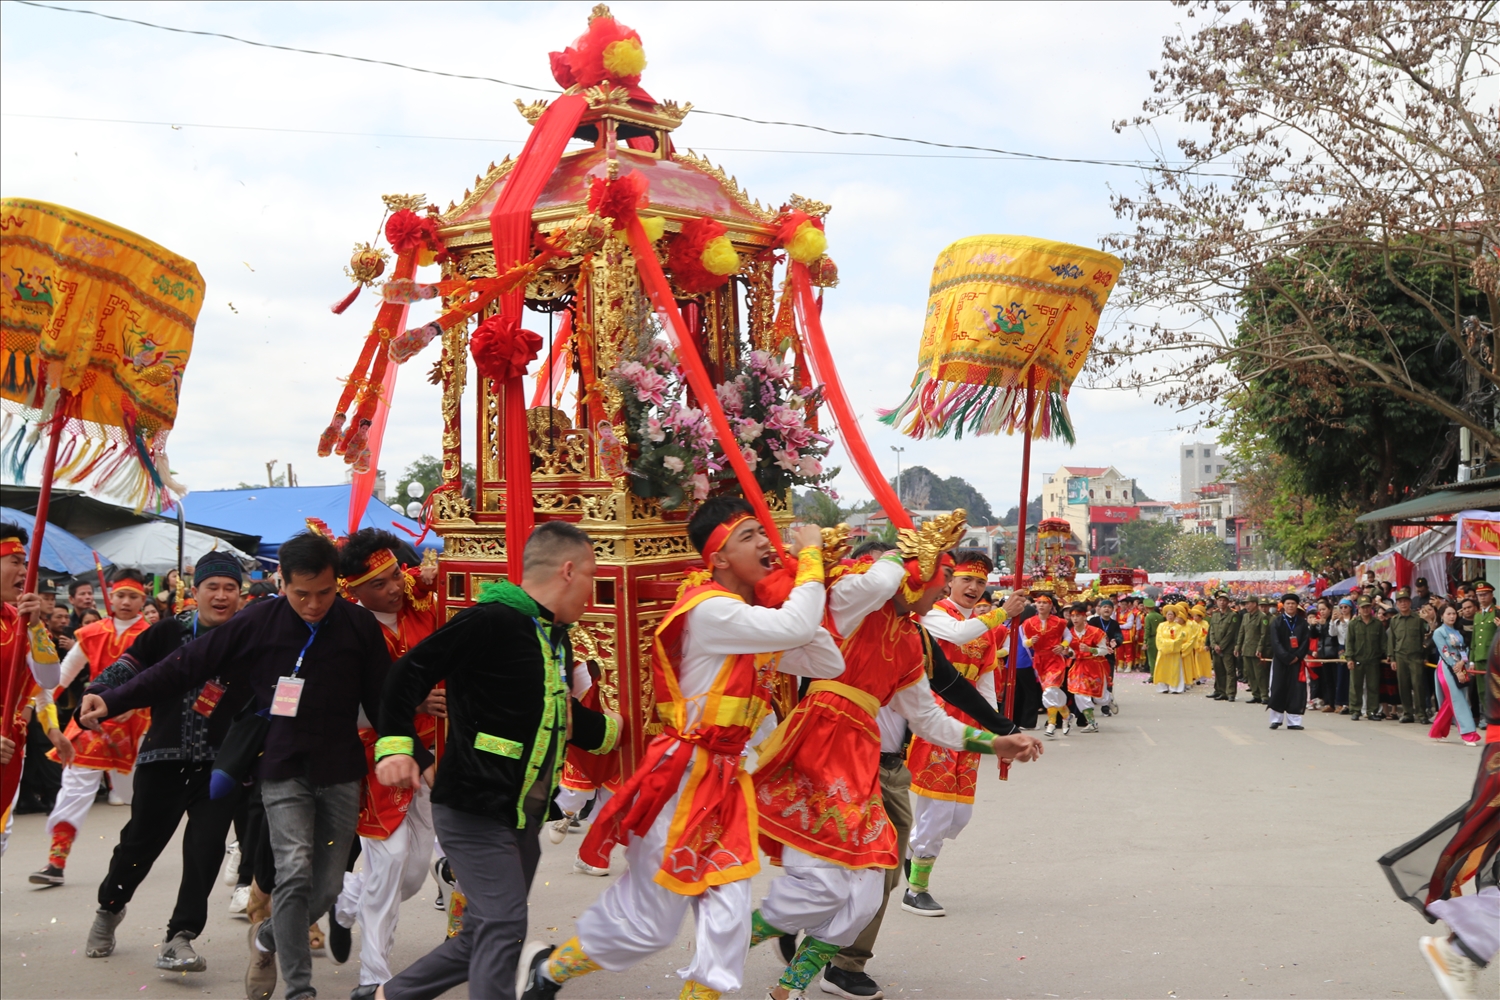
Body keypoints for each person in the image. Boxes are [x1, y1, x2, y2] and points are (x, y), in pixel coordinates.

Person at [519, 501, 830, 1000]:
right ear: (719, 558)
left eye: (762, 533)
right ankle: (549, 969)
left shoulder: (749, 616)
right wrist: (810, 560)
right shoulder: (711, 610)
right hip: (683, 779)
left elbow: (828, 661)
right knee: (650, 925)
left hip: (725, 780)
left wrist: (783, 592)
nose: (765, 543)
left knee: (730, 915)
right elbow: (797, 629)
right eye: (750, 535)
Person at [78, 531, 396, 1000]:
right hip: (263, 764)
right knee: (290, 869)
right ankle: (298, 987)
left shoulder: (356, 625)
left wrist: (408, 749)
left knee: (322, 885)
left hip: (329, 768)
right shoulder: (249, 623)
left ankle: (260, 936)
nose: (313, 605)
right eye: (301, 594)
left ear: (338, 585)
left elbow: (382, 698)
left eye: (325, 593)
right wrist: (110, 698)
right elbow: (178, 666)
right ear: (281, 582)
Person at [748, 529, 1041, 999]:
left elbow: (929, 717)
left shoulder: (910, 641)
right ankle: (731, 949)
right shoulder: (851, 607)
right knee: (826, 888)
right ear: (913, 577)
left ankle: (792, 982)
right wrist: (900, 557)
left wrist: (996, 741)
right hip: (821, 750)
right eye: (941, 580)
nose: (944, 592)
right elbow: (874, 584)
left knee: (867, 891)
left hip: (864, 761)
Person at [361, 522, 615, 1000]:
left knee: (482, 933)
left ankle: (386, 996)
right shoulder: (492, 620)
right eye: (591, 575)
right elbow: (407, 674)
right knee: (503, 925)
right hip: (474, 805)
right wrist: (397, 744)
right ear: (567, 571)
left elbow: (562, 716)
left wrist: (627, 735)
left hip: (520, 814)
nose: (593, 589)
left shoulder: (555, 636)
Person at [74, 552, 248, 970]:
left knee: (206, 849)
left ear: (240, 595)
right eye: (213, 587)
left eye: (230, 588)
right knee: (139, 843)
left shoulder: (249, 638)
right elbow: (126, 667)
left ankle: (180, 936)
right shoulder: (167, 631)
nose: (221, 596)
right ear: (196, 591)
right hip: (162, 758)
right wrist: (97, 691)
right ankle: (109, 907)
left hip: (221, 766)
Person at [328, 528, 445, 994]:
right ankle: (373, 977)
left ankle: (344, 900)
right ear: (352, 590)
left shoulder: (424, 603)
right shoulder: (349, 630)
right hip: (382, 754)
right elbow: (349, 706)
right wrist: (413, 702)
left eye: (396, 574)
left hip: (435, 753)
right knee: (391, 860)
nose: (394, 587)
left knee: (411, 876)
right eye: (379, 584)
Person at [900, 549, 1028, 914]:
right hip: (936, 721)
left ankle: (912, 851)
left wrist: (1000, 734)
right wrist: (1003, 613)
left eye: (980, 582)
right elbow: (958, 636)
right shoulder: (933, 614)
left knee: (959, 815)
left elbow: (985, 685)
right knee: (939, 809)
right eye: (966, 579)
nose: (973, 587)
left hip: (969, 726)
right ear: (950, 582)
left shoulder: (984, 631)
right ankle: (916, 889)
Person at [30, 570, 151, 885]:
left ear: (143, 599)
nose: (126, 602)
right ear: (111, 597)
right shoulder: (93, 633)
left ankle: (138, 854)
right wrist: (35, 702)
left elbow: (166, 683)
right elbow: (60, 677)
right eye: (120, 595)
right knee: (74, 789)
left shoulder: (153, 635)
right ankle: (56, 861)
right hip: (91, 723)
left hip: (137, 726)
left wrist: (137, 706)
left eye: (133, 596)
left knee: (141, 797)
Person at [0, 521, 63, 848]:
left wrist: (37, 626)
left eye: (25, 562)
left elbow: (49, 679)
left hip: (11, 747)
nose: (25, 571)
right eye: (15, 561)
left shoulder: (21, 621)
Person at [1428, 605, 1480, 747]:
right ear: (1441, 616)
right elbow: (1444, 651)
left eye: (1454, 614)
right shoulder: (1439, 632)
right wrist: (1456, 669)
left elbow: (1464, 649)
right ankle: (1468, 733)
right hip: (1446, 667)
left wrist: (1463, 662)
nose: (1452, 616)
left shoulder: (1457, 632)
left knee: (1456, 699)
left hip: (1460, 666)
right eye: (1448, 614)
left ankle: (1438, 731)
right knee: (1457, 699)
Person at [1022, 590, 1069, 736]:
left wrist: (1062, 646)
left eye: (1045, 603)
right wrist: (1030, 642)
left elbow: (1068, 636)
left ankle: (1051, 724)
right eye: (1039, 603)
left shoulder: (1059, 622)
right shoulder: (1029, 623)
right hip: (1040, 661)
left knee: (1050, 690)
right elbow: (1024, 642)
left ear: (1050, 606)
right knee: (1051, 692)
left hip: (1055, 659)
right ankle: (1066, 715)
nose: (1041, 605)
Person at [1064, 602, 1112, 732]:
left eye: (1078, 615)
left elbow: (1104, 650)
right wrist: (1068, 652)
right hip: (1079, 666)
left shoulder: (1095, 632)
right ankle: (1092, 723)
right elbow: (1072, 653)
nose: (1075, 619)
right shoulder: (1069, 634)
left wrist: (1090, 649)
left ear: (1084, 616)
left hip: (1094, 666)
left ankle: (1108, 700)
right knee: (1080, 695)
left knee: (1100, 698)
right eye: (1072, 616)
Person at [1268, 592, 1309, 731]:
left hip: (1297, 661)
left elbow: (1305, 642)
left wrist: (1297, 656)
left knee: (1296, 690)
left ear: (1297, 606)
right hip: (1281, 661)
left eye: (1293, 603)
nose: (1290, 606)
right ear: (1283, 606)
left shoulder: (1302, 623)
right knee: (1278, 687)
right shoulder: (1277, 622)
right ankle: (1276, 719)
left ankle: (1294, 721)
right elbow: (1275, 642)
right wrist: (1286, 656)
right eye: (1288, 604)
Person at [1387, 589, 1428, 724]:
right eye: (1400, 602)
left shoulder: (1418, 619)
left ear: (1410, 602)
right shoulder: (1394, 620)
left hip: (1416, 656)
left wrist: (1425, 656)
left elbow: (1424, 638)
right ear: (1397, 604)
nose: (1403, 604)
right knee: (1403, 685)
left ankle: (1421, 713)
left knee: (1418, 685)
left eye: (1405, 601)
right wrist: (1392, 658)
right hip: (1400, 656)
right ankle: (1407, 713)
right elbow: (1391, 640)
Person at [1346, 597, 1386, 721]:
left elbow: (1383, 642)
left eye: (1367, 606)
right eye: (1363, 607)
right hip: (1357, 659)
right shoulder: (1353, 624)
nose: (1365, 609)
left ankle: (1372, 711)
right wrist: (1349, 658)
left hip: (1373, 660)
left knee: (1373, 686)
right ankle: (1355, 710)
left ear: (1371, 607)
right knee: (1355, 686)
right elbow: (1349, 642)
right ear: (1358, 608)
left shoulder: (1377, 624)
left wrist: (1388, 656)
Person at [1208, 591, 1241, 702]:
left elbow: (1231, 633)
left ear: (1228, 602)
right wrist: (1213, 645)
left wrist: (1221, 646)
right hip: (1216, 648)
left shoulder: (1233, 615)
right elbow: (1211, 631)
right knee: (1219, 670)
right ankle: (1222, 691)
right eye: (1220, 600)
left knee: (1230, 671)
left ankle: (1230, 693)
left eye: (1224, 600)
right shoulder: (1215, 614)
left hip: (1227, 648)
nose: (1222, 602)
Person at [1153, 604, 1189, 694]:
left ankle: (1175, 688)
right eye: (1168, 614)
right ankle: (1163, 687)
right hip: (1163, 651)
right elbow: (1159, 637)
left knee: (1174, 669)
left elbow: (1179, 639)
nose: (1170, 616)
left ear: (1175, 616)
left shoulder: (1178, 627)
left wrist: (1170, 644)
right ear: (1165, 615)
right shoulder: (1161, 625)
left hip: (1174, 652)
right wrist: (1166, 644)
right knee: (1162, 669)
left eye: (1172, 614)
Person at [1142, 598, 1164, 681]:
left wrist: (1145, 641)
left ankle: (1153, 676)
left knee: (1151, 659)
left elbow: (1147, 629)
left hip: (1151, 639)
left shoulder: (1148, 617)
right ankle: (1160, 675)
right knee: (1159, 657)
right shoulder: (1160, 616)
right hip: (1160, 638)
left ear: (1146, 607)